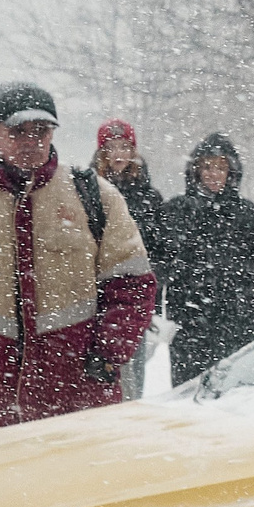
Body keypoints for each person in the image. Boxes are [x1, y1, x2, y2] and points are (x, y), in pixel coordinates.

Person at [0, 81, 157, 437]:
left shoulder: (93, 195)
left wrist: (106, 356)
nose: (30, 141)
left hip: (77, 401)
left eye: (41, 131)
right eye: (16, 131)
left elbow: (132, 283)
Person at [158, 133, 254, 385]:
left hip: (235, 325)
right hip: (188, 326)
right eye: (207, 166)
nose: (213, 174)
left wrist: (252, 312)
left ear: (232, 172)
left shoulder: (247, 214)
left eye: (221, 167)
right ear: (195, 170)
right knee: (189, 398)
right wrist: (157, 315)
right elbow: (158, 265)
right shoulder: (175, 211)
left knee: (233, 400)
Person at [93, 118, 169, 394]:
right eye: (112, 147)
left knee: (132, 384)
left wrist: (150, 300)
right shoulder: (89, 193)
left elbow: (162, 254)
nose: (119, 154)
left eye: (125, 147)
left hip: (133, 303)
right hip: (95, 303)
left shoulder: (150, 198)